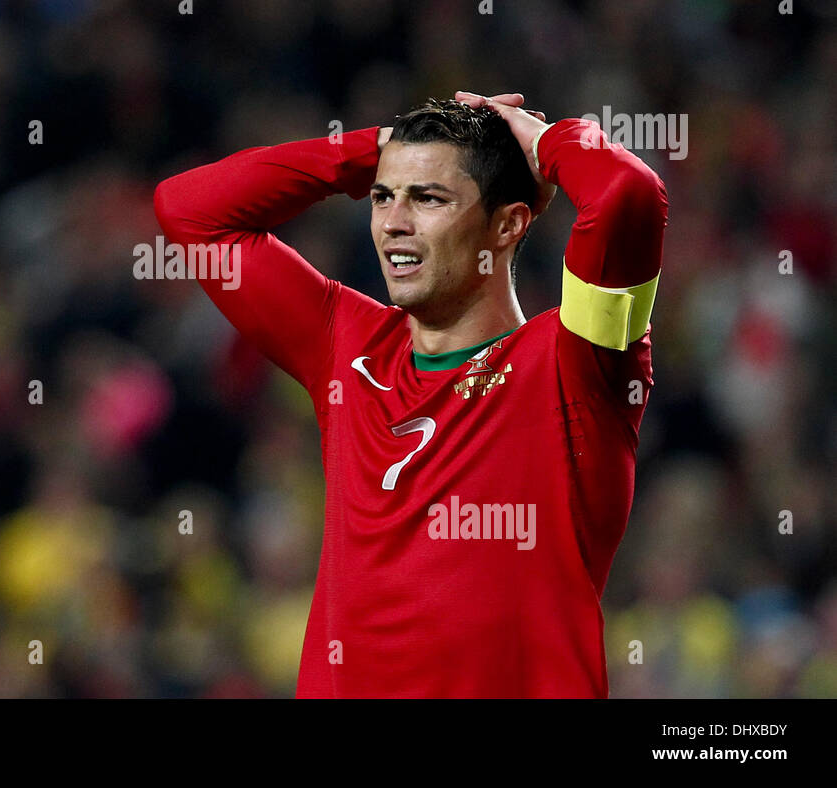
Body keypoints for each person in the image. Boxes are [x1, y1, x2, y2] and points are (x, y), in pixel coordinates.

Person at [153, 91, 668, 696]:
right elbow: (187, 210)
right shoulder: (345, 347)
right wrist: (373, 148)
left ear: (506, 225)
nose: (394, 222)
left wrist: (541, 142)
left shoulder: (577, 362)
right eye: (382, 197)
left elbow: (628, 195)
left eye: (428, 198)